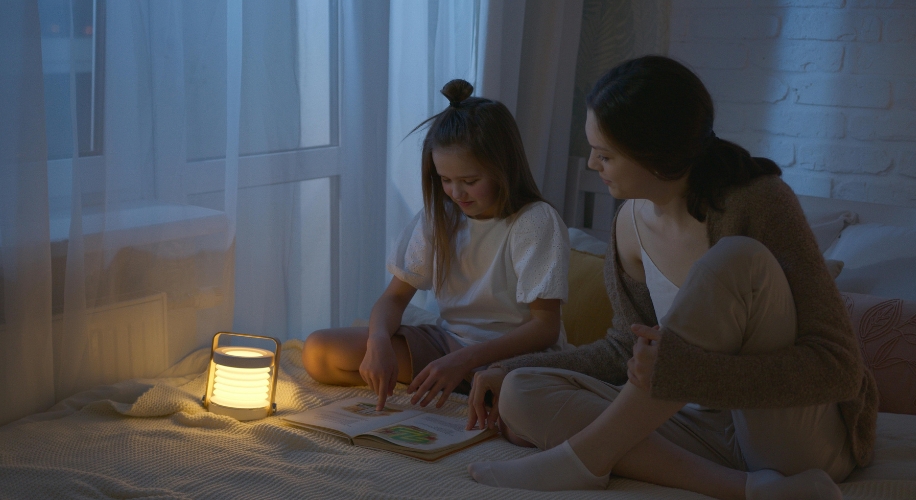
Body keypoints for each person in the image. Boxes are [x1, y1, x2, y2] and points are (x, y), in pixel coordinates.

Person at [465, 56, 878, 500]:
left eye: (605, 155)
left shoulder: (760, 202)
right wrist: (509, 367)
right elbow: (627, 348)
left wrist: (692, 374)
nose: (591, 165)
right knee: (520, 391)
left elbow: (839, 368)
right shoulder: (628, 224)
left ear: (655, 155)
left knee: (737, 257)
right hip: (699, 427)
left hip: (790, 434)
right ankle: (749, 489)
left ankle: (584, 460)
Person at [302, 79, 571, 412]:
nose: (457, 193)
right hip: (449, 345)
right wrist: (379, 342)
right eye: (445, 180)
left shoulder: (535, 221)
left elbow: (545, 327)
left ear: (504, 168)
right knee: (319, 352)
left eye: (470, 182)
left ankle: (473, 387)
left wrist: (463, 361)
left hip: (514, 357)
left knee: (521, 405)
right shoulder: (441, 216)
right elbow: (394, 297)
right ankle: (456, 384)